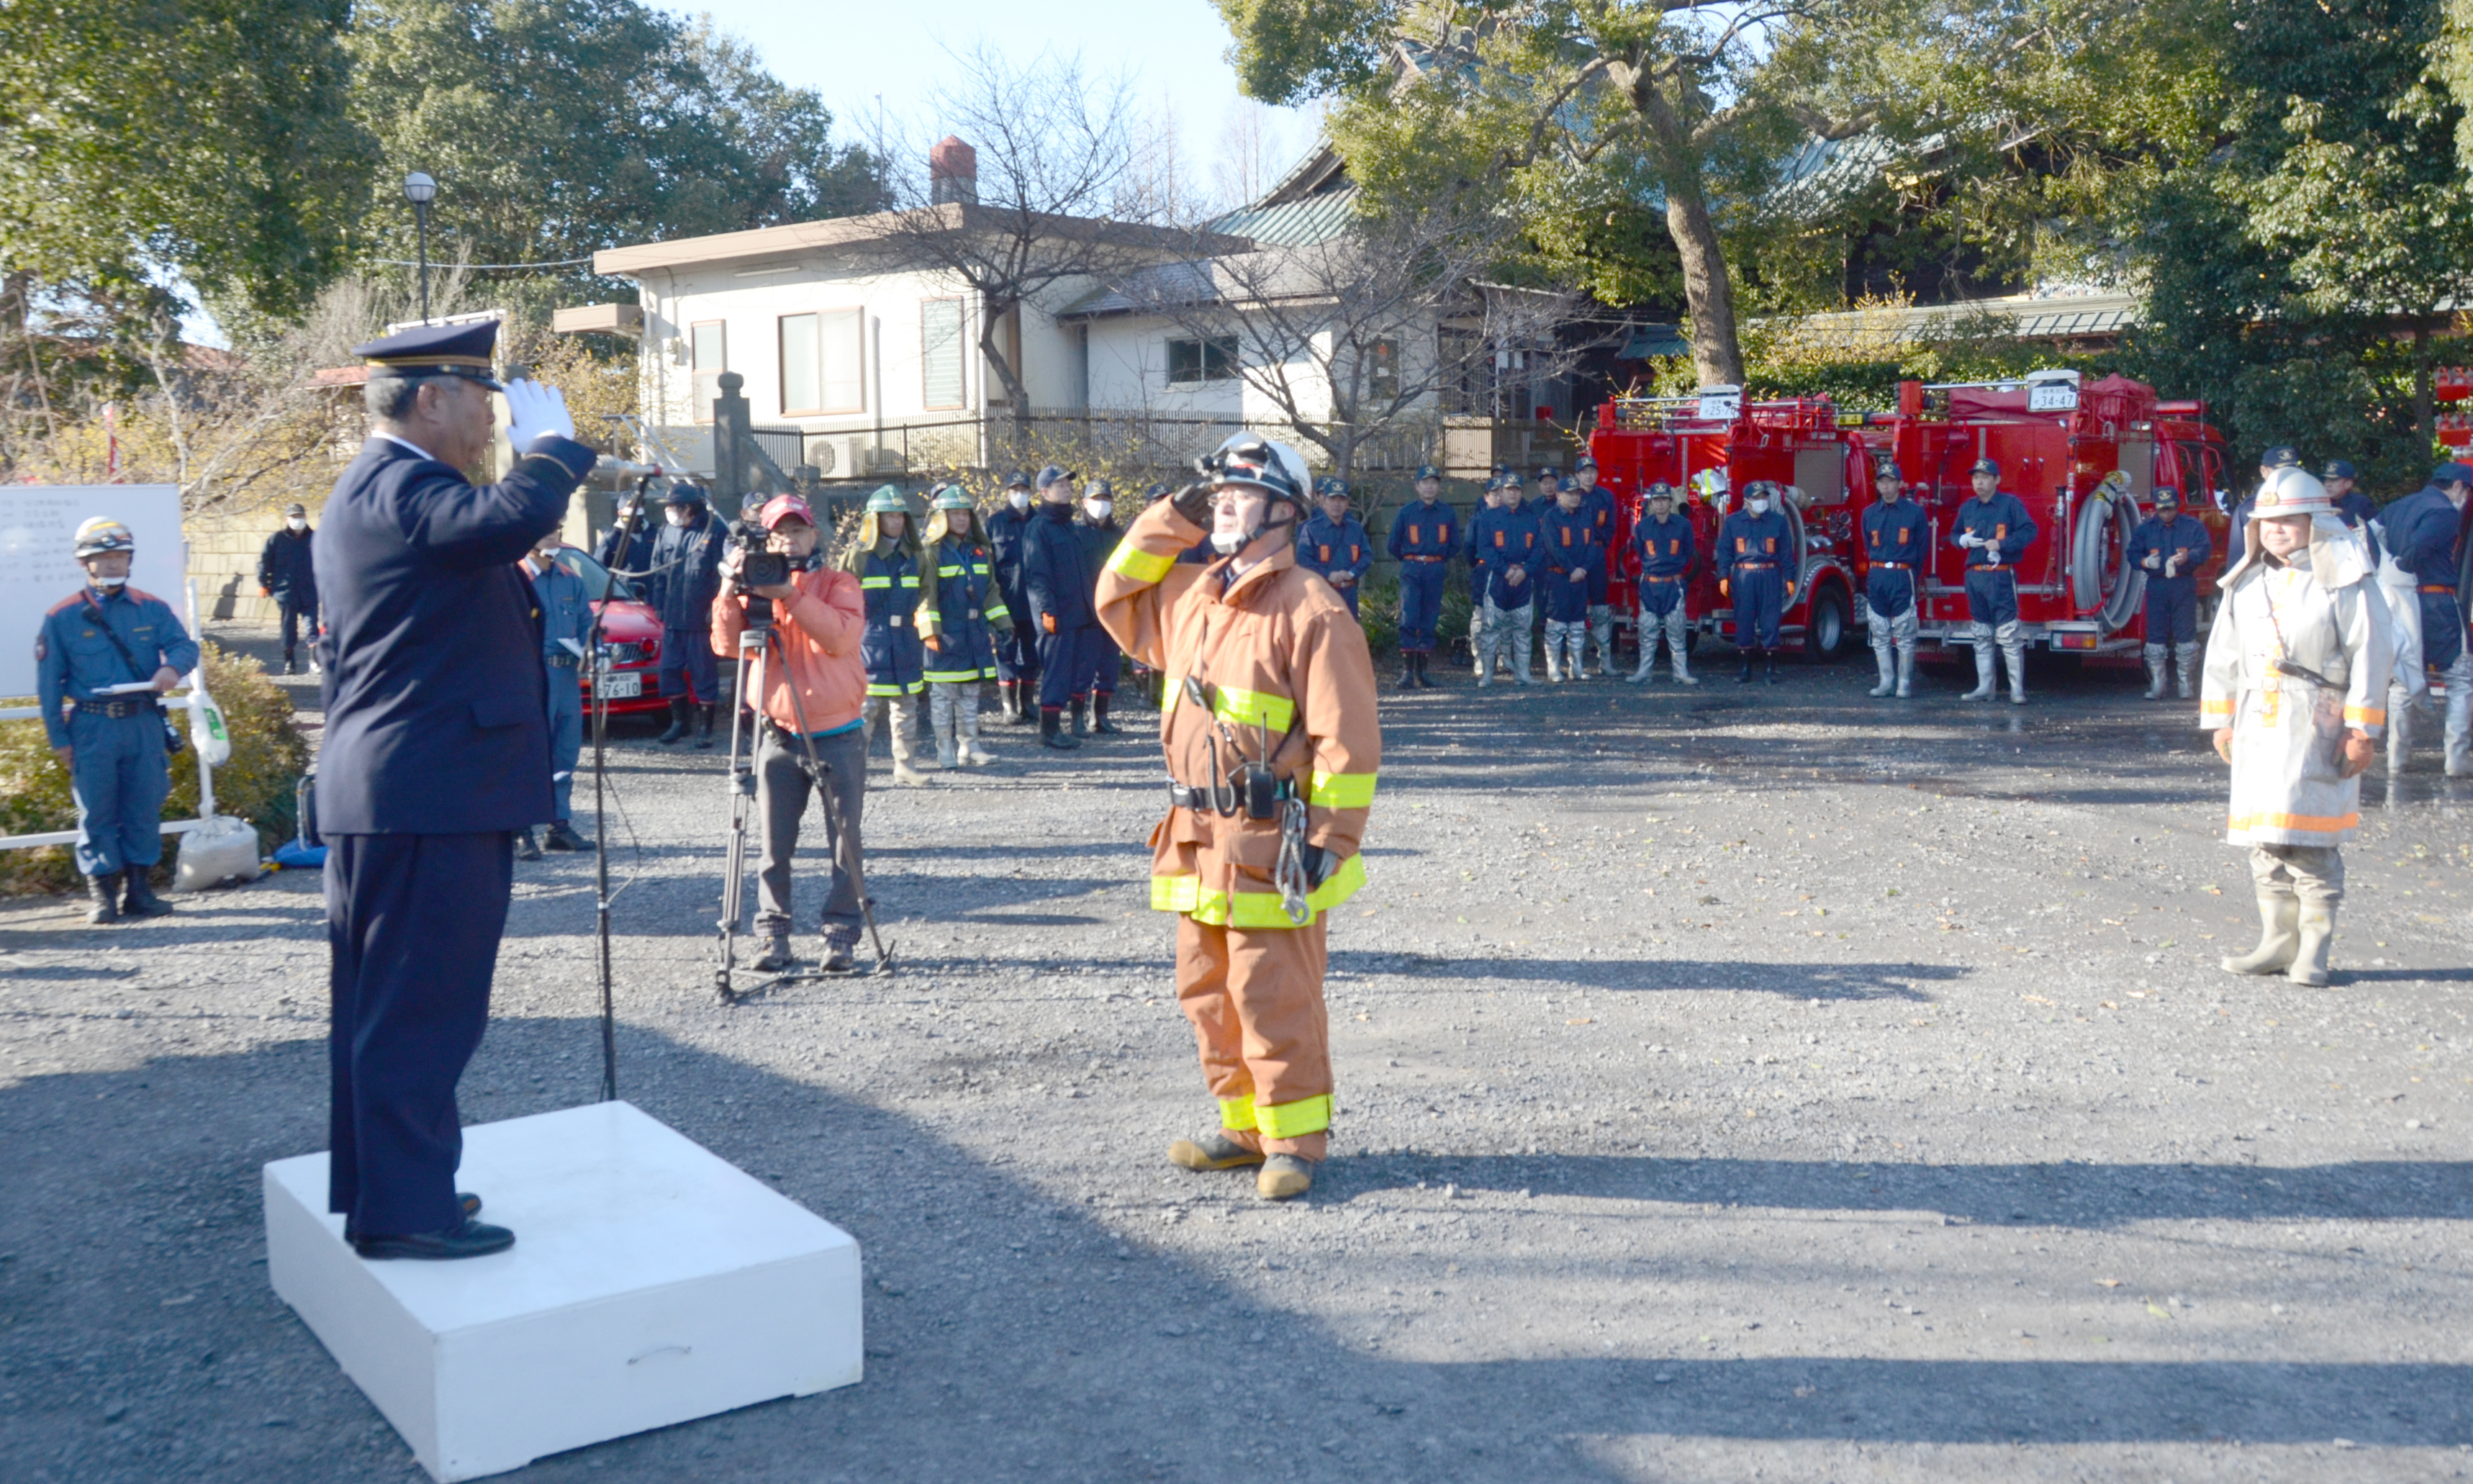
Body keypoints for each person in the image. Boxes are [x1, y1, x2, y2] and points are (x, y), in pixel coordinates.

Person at [317, 320, 595, 1259]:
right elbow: (499, 522)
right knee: (424, 1004)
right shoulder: (402, 483)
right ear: (429, 398)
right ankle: (404, 1210)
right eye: (483, 400)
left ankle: (390, 1186)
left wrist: (540, 464)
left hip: (406, 787)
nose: (494, 420)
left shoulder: (385, 486)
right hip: (424, 790)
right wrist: (553, 454)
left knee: (390, 1001)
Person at [1094, 434, 1382, 1202]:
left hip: (1268, 841)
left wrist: (1330, 839)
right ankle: (1244, 1128)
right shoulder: (1190, 593)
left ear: (1285, 511)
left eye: (1239, 493)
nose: (1220, 502)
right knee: (1207, 991)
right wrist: (1169, 518)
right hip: (1193, 839)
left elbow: (1345, 740)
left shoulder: (1312, 609)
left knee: (1272, 991)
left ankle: (1294, 1141)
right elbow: (1113, 594)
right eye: (1214, 492)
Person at [2202, 469, 2392, 987]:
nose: (2277, 529)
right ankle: (2276, 943)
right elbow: (2223, 654)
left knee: (2309, 843)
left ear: (2315, 522)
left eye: (2289, 520)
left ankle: (2313, 951)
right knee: (2265, 842)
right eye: (2267, 521)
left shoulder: (2347, 581)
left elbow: (2372, 653)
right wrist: (2221, 722)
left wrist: (2362, 729)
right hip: (2257, 725)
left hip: (2318, 722)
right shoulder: (2245, 583)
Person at [713, 494, 870, 974]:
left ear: (813, 535)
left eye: (798, 530)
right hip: (778, 735)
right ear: (765, 537)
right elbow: (724, 644)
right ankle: (772, 938)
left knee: (845, 842)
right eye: (779, 532)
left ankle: (841, 937)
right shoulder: (751, 585)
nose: (790, 539)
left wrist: (789, 594)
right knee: (773, 845)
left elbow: (840, 637)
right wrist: (728, 588)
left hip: (838, 734)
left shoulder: (838, 581)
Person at [37, 516, 198, 924]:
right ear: (84, 563)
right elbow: (49, 686)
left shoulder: (152, 608)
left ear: (130, 560)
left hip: (142, 724)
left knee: (144, 808)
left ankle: (140, 893)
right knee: (97, 812)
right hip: (93, 727)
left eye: (119, 556)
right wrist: (59, 739)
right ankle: (103, 896)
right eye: (102, 557)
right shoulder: (62, 617)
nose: (112, 564)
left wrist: (172, 670)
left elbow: (184, 646)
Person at [2380, 461, 2473, 775]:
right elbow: (2420, 547)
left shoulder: (2397, 506)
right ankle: (2457, 762)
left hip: (2397, 602)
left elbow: (2366, 534)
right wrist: (2405, 567)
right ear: (2458, 487)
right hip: (2436, 603)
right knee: (2459, 678)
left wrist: (2390, 573)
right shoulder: (2445, 511)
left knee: (2404, 677)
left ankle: (2397, 758)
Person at [839, 485, 931, 785]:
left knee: (906, 708)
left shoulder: (916, 557)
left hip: (905, 639)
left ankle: (905, 766)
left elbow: (926, 594)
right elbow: (840, 600)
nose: (896, 522)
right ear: (874, 520)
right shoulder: (857, 557)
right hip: (870, 640)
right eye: (889, 516)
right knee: (864, 711)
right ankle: (856, 772)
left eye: (900, 516)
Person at [514, 533, 597, 859]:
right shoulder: (514, 578)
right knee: (528, 752)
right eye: (547, 528)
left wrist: (595, 648)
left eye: (558, 528)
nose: (555, 535)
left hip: (565, 675)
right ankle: (521, 830)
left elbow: (587, 624)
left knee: (565, 751)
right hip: (530, 676)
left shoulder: (569, 578)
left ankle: (557, 826)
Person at [917, 484, 1006, 768]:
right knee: (943, 696)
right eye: (954, 514)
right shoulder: (931, 551)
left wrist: (1003, 623)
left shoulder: (978, 551)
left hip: (974, 632)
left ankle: (970, 746)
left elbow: (991, 592)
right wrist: (929, 629)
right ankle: (944, 749)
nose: (961, 519)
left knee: (970, 693)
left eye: (965, 514)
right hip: (945, 634)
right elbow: (924, 594)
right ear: (941, 517)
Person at [1022, 464, 1104, 748]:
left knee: (1075, 671)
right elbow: (1037, 574)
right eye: (1061, 485)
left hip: (1078, 612)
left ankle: (1065, 726)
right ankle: (1049, 731)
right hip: (1057, 615)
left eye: (1069, 484)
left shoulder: (1068, 525)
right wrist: (1047, 611)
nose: (1068, 487)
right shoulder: (1039, 528)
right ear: (1044, 492)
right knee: (1056, 674)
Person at [1950, 457, 2039, 704]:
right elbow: (1954, 534)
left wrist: (2002, 544)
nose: (1979, 482)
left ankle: (2017, 690)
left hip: (2000, 574)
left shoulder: (2010, 505)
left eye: (1985, 478)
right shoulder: (1968, 508)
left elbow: (2029, 531)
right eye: (1976, 478)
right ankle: (1985, 687)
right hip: (1974, 575)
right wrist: (1961, 541)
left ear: (1996, 480)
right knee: (1981, 633)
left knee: (2009, 634)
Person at [646, 481, 725, 746]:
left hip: (701, 620)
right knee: (669, 671)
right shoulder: (666, 531)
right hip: (673, 618)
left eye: (673, 507)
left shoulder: (715, 531)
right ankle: (679, 723)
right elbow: (658, 569)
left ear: (689, 508)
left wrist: (715, 611)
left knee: (704, 674)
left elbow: (721, 577)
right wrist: (658, 606)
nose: (669, 512)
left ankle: (706, 728)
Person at [2125, 485, 2213, 701]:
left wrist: (2190, 557)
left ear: (2178, 507)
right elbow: (2132, 553)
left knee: (2186, 634)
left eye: (2171, 509)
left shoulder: (2192, 527)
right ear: (2156, 508)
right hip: (2157, 586)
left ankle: (2186, 682)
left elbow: (2205, 548)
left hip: (2183, 584)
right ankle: (2158, 684)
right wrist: (2145, 561)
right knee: (2155, 635)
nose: (2167, 513)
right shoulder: (2146, 529)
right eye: (2162, 509)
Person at [1856, 461, 1925, 698]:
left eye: (1890, 482)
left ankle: (1904, 682)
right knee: (1879, 629)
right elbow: (1867, 544)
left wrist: (1913, 576)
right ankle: (1886, 680)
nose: (1885, 487)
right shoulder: (1869, 513)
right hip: (1878, 575)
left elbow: (1922, 548)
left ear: (1900, 484)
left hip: (1903, 574)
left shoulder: (1915, 512)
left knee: (1905, 631)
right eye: (1881, 482)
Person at [1385, 464, 1457, 689]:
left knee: (1429, 619)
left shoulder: (1447, 513)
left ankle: (1423, 672)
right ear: (1417, 486)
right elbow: (1393, 545)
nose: (1429, 487)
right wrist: (1412, 560)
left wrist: (1437, 559)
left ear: (1439, 487)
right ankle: (1407, 672)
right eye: (1425, 483)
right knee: (1408, 618)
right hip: (1412, 569)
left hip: (1435, 569)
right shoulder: (1406, 513)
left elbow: (1455, 545)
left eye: (1433, 483)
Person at [1468, 472, 1540, 687]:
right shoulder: (1488, 518)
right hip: (1498, 579)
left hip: (1523, 580)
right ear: (1501, 492)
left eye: (1517, 489)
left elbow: (1538, 550)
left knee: (1523, 629)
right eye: (1508, 490)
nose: (1513, 493)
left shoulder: (1531, 518)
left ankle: (1523, 674)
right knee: (1490, 628)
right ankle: (1488, 674)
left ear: (1522, 492)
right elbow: (1484, 549)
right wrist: (1505, 571)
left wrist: (1525, 571)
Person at [1718, 479, 1794, 684]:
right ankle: (1745, 670)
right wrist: (1724, 576)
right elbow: (1725, 551)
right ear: (1747, 501)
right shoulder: (1734, 522)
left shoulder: (1778, 521)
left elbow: (1787, 552)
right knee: (1744, 621)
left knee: (1770, 621)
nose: (1761, 501)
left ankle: (1770, 671)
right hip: (1744, 576)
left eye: (1764, 497)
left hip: (1770, 575)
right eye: (1756, 498)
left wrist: (1790, 578)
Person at [1626, 482, 1696, 684]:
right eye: (1656, 500)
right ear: (1651, 503)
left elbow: (1688, 551)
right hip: (1650, 584)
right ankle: (1644, 672)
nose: (1660, 504)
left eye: (1664, 499)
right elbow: (1640, 551)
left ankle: (1680, 673)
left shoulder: (1683, 525)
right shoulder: (1643, 526)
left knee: (1677, 630)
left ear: (1670, 502)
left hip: (1673, 584)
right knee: (1647, 630)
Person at [985, 470, 1040, 725]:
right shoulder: (994, 523)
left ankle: (1028, 703)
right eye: (1015, 490)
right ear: (1007, 493)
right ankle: (1009, 706)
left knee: (1033, 653)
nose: (1020, 495)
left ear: (1031, 492)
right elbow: (987, 565)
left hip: (1035, 601)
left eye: (1024, 490)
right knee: (1005, 652)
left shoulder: (1040, 521)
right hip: (1005, 601)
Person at [1537, 473, 1599, 680]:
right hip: (1558, 578)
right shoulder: (1551, 517)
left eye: (1577, 493)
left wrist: (1583, 569)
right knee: (1556, 624)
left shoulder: (1584, 515)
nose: (1574, 497)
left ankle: (1577, 667)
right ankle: (1554, 668)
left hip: (1581, 577)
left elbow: (1592, 545)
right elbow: (1553, 548)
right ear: (1558, 495)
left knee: (1578, 625)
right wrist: (1572, 569)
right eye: (1569, 493)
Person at [1076, 477, 1126, 733]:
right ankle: (1077, 719)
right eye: (1096, 499)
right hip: (1085, 609)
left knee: (1109, 665)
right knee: (1083, 667)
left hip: (1112, 607)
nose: (1101, 504)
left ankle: (1100, 716)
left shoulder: (1119, 535)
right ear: (1085, 503)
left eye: (1106, 499)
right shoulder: (1077, 533)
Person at [1569, 456, 1620, 676]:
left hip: (1597, 554)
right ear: (1577, 475)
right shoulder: (1570, 497)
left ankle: (1605, 660)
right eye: (1584, 472)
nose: (1589, 476)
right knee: (1575, 608)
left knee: (1600, 608)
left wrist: (1593, 538)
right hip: (1575, 556)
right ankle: (1576, 663)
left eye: (1593, 471)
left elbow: (1610, 529)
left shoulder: (1606, 497)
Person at [1296, 476, 1373, 618]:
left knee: (1349, 635)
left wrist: (1353, 573)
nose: (1337, 504)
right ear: (1324, 502)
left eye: (1341, 499)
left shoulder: (1355, 528)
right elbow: (1303, 560)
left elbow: (1367, 556)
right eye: (1332, 499)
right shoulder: (1312, 529)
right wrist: (1327, 575)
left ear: (1348, 503)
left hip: (1349, 594)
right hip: (1322, 592)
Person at [257, 502, 320, 676]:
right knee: (288, 629)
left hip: (310, 591)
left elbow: (328, 562)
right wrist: (263, 584)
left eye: (300, 516)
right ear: (287, 519)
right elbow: (264, 562)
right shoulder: (277, 539)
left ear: (305, 518)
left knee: (312, 627)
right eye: (293, 517)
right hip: (286, 593)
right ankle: (289, 663)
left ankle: (314, 661)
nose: (297, 520)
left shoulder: (316, 538)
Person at [2226, 445, 2304, 567]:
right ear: (2263, 471)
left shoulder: (2313, 501)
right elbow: (2238, 559)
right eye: (2280, 470)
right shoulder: (2249, 508)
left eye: (2292, 469)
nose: (2287, 474)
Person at [2324, 459, 2379, 553]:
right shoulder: (2320, 504)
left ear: (2348, 483)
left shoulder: (2361, 503)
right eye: (2326, 479)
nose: (2328, 484)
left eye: (2334, 480)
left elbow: (2377, 532)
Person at [595, 492, 654, 577]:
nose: (637, 509)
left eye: (639, 505)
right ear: (620, 513)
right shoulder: (612, 537)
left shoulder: (653, 533)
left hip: (651, 588)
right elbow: (599, 568)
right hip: (624, 589)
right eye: (631, 506)